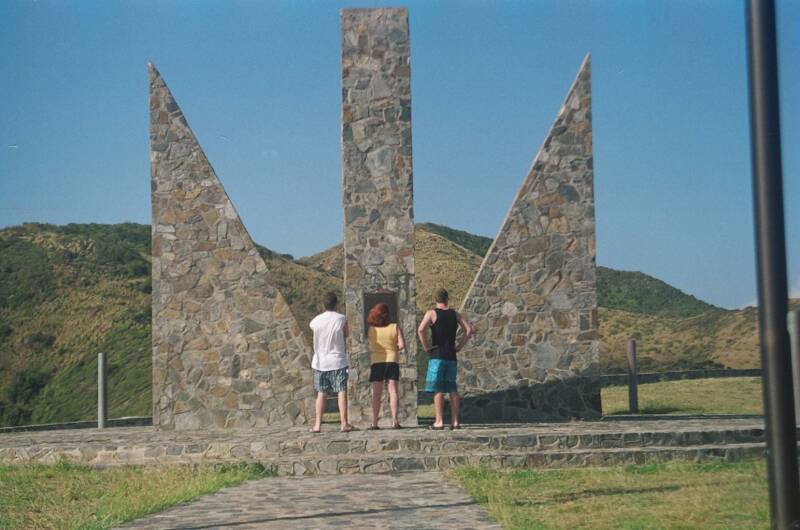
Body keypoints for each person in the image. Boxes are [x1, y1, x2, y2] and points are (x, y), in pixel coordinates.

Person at [417, 288, 473, 430]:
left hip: (437, 355)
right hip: (451, 356)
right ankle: (455, 421)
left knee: (438, 388)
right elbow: (469, 330)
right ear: (447, 299)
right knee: (452, 388)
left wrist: (425, 346)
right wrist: (459, 345)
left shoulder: (432, 313)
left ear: (436, 300)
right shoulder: (455, 314)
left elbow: (421, 330)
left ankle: (439, 421)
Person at [309, 292, 354, 433]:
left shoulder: (315, 321)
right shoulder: (341, 319)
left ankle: (317, 424)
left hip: (320, 362)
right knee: (341, 391)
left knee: (321, 393)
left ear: (324, 305)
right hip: (337, 361)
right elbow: (346, 334)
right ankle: (344, 423)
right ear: (337, 304)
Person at [366, 302, 405, 430]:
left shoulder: (372, 330)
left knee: (376, 393)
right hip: (392, 360)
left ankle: (375, 422)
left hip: (377, 362)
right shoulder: (395, 327)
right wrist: (394, 348)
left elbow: (371, 344)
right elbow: (401, 345)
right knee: (393, 390)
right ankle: (394, 421)